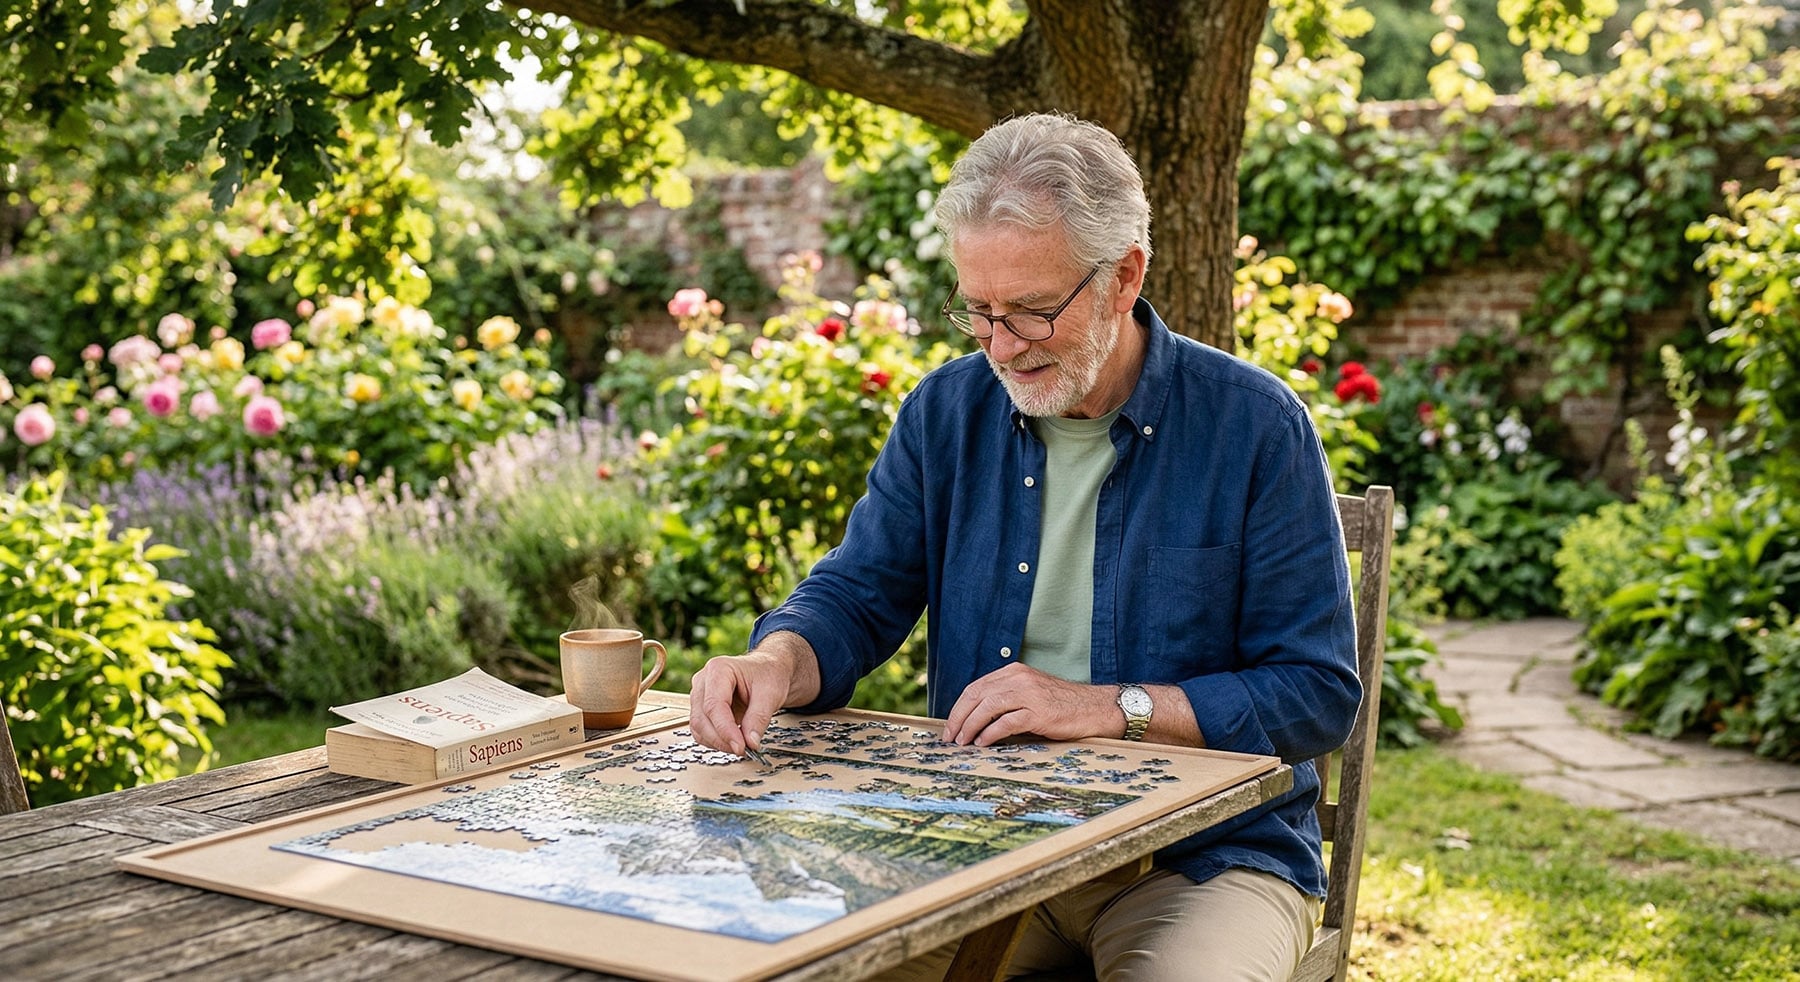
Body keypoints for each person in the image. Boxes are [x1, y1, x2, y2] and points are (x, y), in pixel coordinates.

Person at [688, 111, 1360, 981]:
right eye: (979, 311)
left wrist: (1110, 706)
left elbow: (1313, 694)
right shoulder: (946, 413)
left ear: (1123, 277)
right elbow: (857, 596)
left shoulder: (1256, 427)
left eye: (1034, 313)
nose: (1001, 346)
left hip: (1201, 862)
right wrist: (778, 660)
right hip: (976, 845)